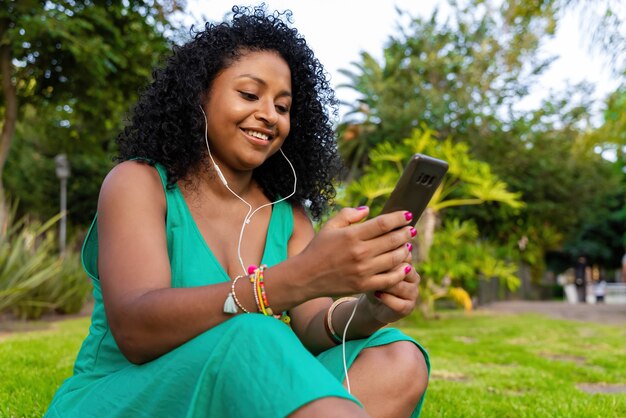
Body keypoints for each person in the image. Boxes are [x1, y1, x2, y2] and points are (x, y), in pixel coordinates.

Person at [44, 5, 429, 418]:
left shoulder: (290, 216)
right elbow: (137, 329)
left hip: (238, 386)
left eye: (283, 107)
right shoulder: (138, 183)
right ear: (199, 96)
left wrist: (370, 310)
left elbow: (312, 325)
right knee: (253, 334)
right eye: (249, 94)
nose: (269, 115)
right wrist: (294, 278)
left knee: (398, 359)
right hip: (127, 396)